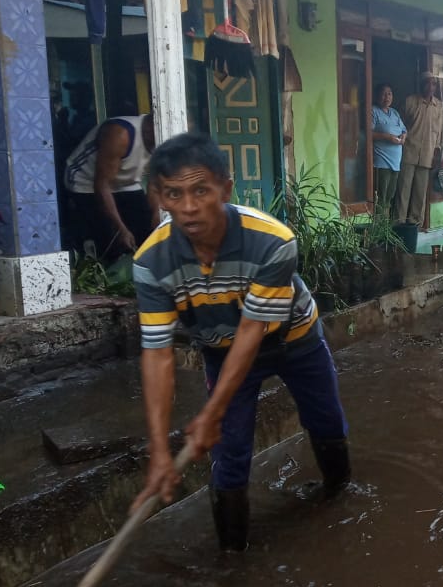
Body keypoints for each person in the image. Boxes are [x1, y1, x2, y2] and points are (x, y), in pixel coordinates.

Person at [130, 133, 351, 551]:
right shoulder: (150, 263)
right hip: (219, 350)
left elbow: (252, 331)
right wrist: (160, 450)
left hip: (295, 339)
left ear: (225, 189)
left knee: (325, 421)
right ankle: (233, 556)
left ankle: (338, 497)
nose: (189, 207)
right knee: (229, 454)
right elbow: (157, 354)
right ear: (158, 196)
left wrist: (211, 411)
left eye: (201, 190)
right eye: (174, 194)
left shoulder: (273, 241)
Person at [64, 113, 157, 256]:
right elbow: (102, 185)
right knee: (109, 239)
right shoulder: (120, 133)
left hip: (126, 182)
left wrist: (156, 216)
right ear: (151, 128)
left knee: (146, 232)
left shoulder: (164, 138)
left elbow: (153, 184)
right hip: (86, 181)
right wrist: (120, 228)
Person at [397, 73, 443, 225]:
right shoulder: (410, 101)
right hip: (409, 151)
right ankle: (399, 223)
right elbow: (400, 124)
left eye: (433, 84)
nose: (430, 87)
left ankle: (415, 224)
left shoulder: (438, 106)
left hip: (427, 154)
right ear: (421, 85)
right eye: (427, 83)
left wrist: (437, 151)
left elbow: (439, 131)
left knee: (420, 193)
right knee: (403, 191)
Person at [371, 83, 406, 211]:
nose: (387, 97)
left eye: (389, 93)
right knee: (381, 197)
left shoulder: (395, 113)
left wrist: (403, 137)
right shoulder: (373, 110)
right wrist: (387, 137)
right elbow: (369, 133)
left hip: (395, 162)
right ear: (377, 96)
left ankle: (385, 228)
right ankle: (380, 228)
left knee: (389, 197)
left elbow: (404, 130)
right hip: (382, 162)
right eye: (383, 93)